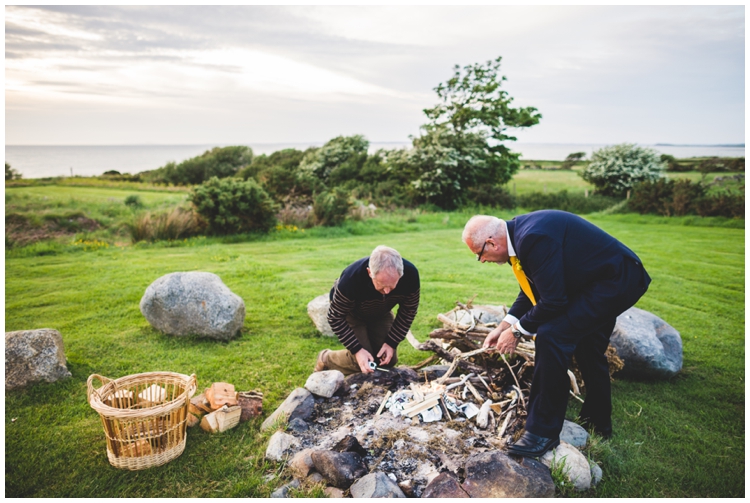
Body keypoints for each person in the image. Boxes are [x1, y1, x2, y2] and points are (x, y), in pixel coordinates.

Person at [462, 210, 651, 457]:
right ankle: (598, 422)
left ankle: (542, 433)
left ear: (491, 243)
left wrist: (517, 332)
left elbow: (553, 302)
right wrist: (504, 326)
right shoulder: (518, 235)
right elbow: (531, 290)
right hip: (597, 281)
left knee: (552, 335)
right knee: (588, 347)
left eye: (479, 255)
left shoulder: (531, 238)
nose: (483, 261)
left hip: (616, 280)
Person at [315, 245, 420, 375]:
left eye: (392, 286)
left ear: (401, 273)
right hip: (351, 313)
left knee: (387, 360)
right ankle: (326, 358)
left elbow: (408, 312)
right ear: (370, 273)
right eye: (382, 286)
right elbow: (335, 317)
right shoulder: (351, 280)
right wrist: (357, 350)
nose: (387, 292)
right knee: (362, 362)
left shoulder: (410, 276)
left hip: (381, 312)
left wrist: (391, 343)